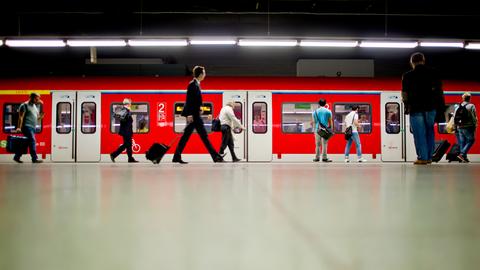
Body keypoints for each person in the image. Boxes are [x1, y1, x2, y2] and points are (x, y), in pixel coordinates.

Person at [172, 66, 224, 164]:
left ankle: (176, 156)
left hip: (196, 114)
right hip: (194, 115)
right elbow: (189, 100)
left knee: (187, 136)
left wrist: (200, 108)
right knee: (204, 136)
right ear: (200, 75)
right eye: (204, 73)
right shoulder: (192, 85)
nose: (205, 75)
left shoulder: (196, 84)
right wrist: (190, 114)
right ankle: (216, 157)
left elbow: (195, 100)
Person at [402, 52, 445, 165]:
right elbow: (439, 92)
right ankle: (430, 157)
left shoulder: (407, 75)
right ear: (423, 60)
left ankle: (422, 157)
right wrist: (440, 108)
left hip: (416, 108)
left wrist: (406, 105)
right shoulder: (434, 73)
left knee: (419, 133)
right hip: (431, 108)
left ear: (412, 62)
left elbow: (404, 94)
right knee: (429, 131)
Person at [13, 92, 44, 163]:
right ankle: (34, 159)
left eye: (38, 99)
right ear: (31, 98)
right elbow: (21, 117)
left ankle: (17, 157)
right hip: (27, 126)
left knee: (26, 143)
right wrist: (19, 127)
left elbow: (36, 118)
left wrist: (40, 117)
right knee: (32, 141)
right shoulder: (24, 105)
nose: (37, 100)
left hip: (33, 127)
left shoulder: (35, 107)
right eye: (36, 99)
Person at [110, 98, 138, 163]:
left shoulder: (127, 111)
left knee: (129, 144)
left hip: (128, 131)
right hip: (126, 131)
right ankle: (113, 154)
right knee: (127, 144)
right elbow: (122, 119)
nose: (131, 104)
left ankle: (130, 158)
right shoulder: (125, 110)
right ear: (127, 104)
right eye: (130, 103)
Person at [453, 92, 477, 162]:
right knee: (471, 140)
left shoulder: (458, 106)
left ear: (463, 98)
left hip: (459, 126)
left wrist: (456, 126)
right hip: (468, 126)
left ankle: (464, 158)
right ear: (469, 98)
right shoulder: (471, 106)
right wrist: (475, 124)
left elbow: (454, 116)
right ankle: (462, 154)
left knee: (462, 142)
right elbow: (473, 116)